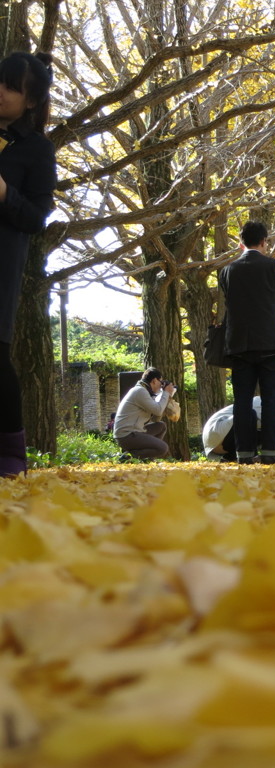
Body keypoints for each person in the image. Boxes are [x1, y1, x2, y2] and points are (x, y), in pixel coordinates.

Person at [0, 52, 57, 476]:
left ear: (31, 101)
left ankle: (10, 456)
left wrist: (4, 192)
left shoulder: (36, 149)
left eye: (11, 87)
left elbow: (37, 217)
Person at [219, 220, 275, 464]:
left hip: (240, 344)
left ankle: (244, 453)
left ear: (241, 242)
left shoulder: (227, 270)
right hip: (271, 343)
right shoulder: (272, 266)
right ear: (264, 241)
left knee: (242, 400)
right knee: (271, 399)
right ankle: (271, 453)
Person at [202, 396, 275, 462]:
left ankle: (232, 458)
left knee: (261, 430)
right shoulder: (260, 402)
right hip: (217, 435)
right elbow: (267, 422)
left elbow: (269, 437)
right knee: (250, 415)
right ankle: (251, 456)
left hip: (219, 443)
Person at [113, 368, 175, 460]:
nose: (161, 385)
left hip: (135, 432)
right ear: (154, 381)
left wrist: (166, 397)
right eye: (160, 382)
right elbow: (158, 410)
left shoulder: (146, 392)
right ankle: (127, 457)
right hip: (127, 435)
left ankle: (148, 458)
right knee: (163, 448)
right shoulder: (140, 391)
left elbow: (156, 418)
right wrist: (166, 393)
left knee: (161, 426)